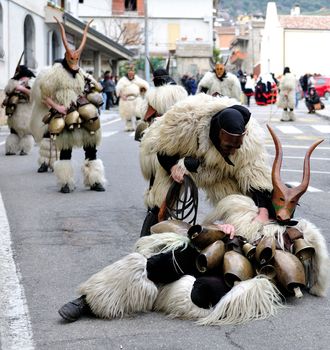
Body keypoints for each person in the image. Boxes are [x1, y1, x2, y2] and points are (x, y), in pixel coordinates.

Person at [139, 93, 273, 236]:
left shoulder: (249, 143)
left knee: (245, 207)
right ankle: (149, 236)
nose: (233, 152)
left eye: (237, 147)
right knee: (161, 200)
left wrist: (263, 211)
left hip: (221, 172)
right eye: (228, 147)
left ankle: (241, 239)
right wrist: (172, 167)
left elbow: (257, 180)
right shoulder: (184, 120)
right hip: (184, 159)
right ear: (218, 134)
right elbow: (162, 151)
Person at [30, 17, 106, 193]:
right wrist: (58, 107)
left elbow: (95, 87)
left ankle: (94, 180)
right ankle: (65, 182)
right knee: (65, 150)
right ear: (66, 57)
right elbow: (44, 94)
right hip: (64, 114)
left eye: (77, 58)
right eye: (72, 58)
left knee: (91, 146)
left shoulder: (82, 74)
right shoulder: (55, 73)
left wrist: (93, 93)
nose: (74, 61)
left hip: (83, 112)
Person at [2, 53, 35, 156]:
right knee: (13, 131)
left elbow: (33, 94)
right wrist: (6, 101)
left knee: (26, 131)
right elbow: (9, 93)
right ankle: (11, 148)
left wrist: (22, 88)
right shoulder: (14, 81)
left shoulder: (31, 82)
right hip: (14, 109)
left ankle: (25, 148)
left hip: (26, 109)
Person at [115, 66, 149, 131]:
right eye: (129, 74)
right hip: (126, 99)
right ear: (127, 74)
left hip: (136, 98)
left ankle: (138, 126)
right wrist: (122, 96)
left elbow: (144, 86)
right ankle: (129, 127)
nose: (131, 75)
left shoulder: (137, 80)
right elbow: (118, 89)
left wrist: (142, 90)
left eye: (132, 74)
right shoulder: (123, 80)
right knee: (127, 114)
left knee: (138, 112)